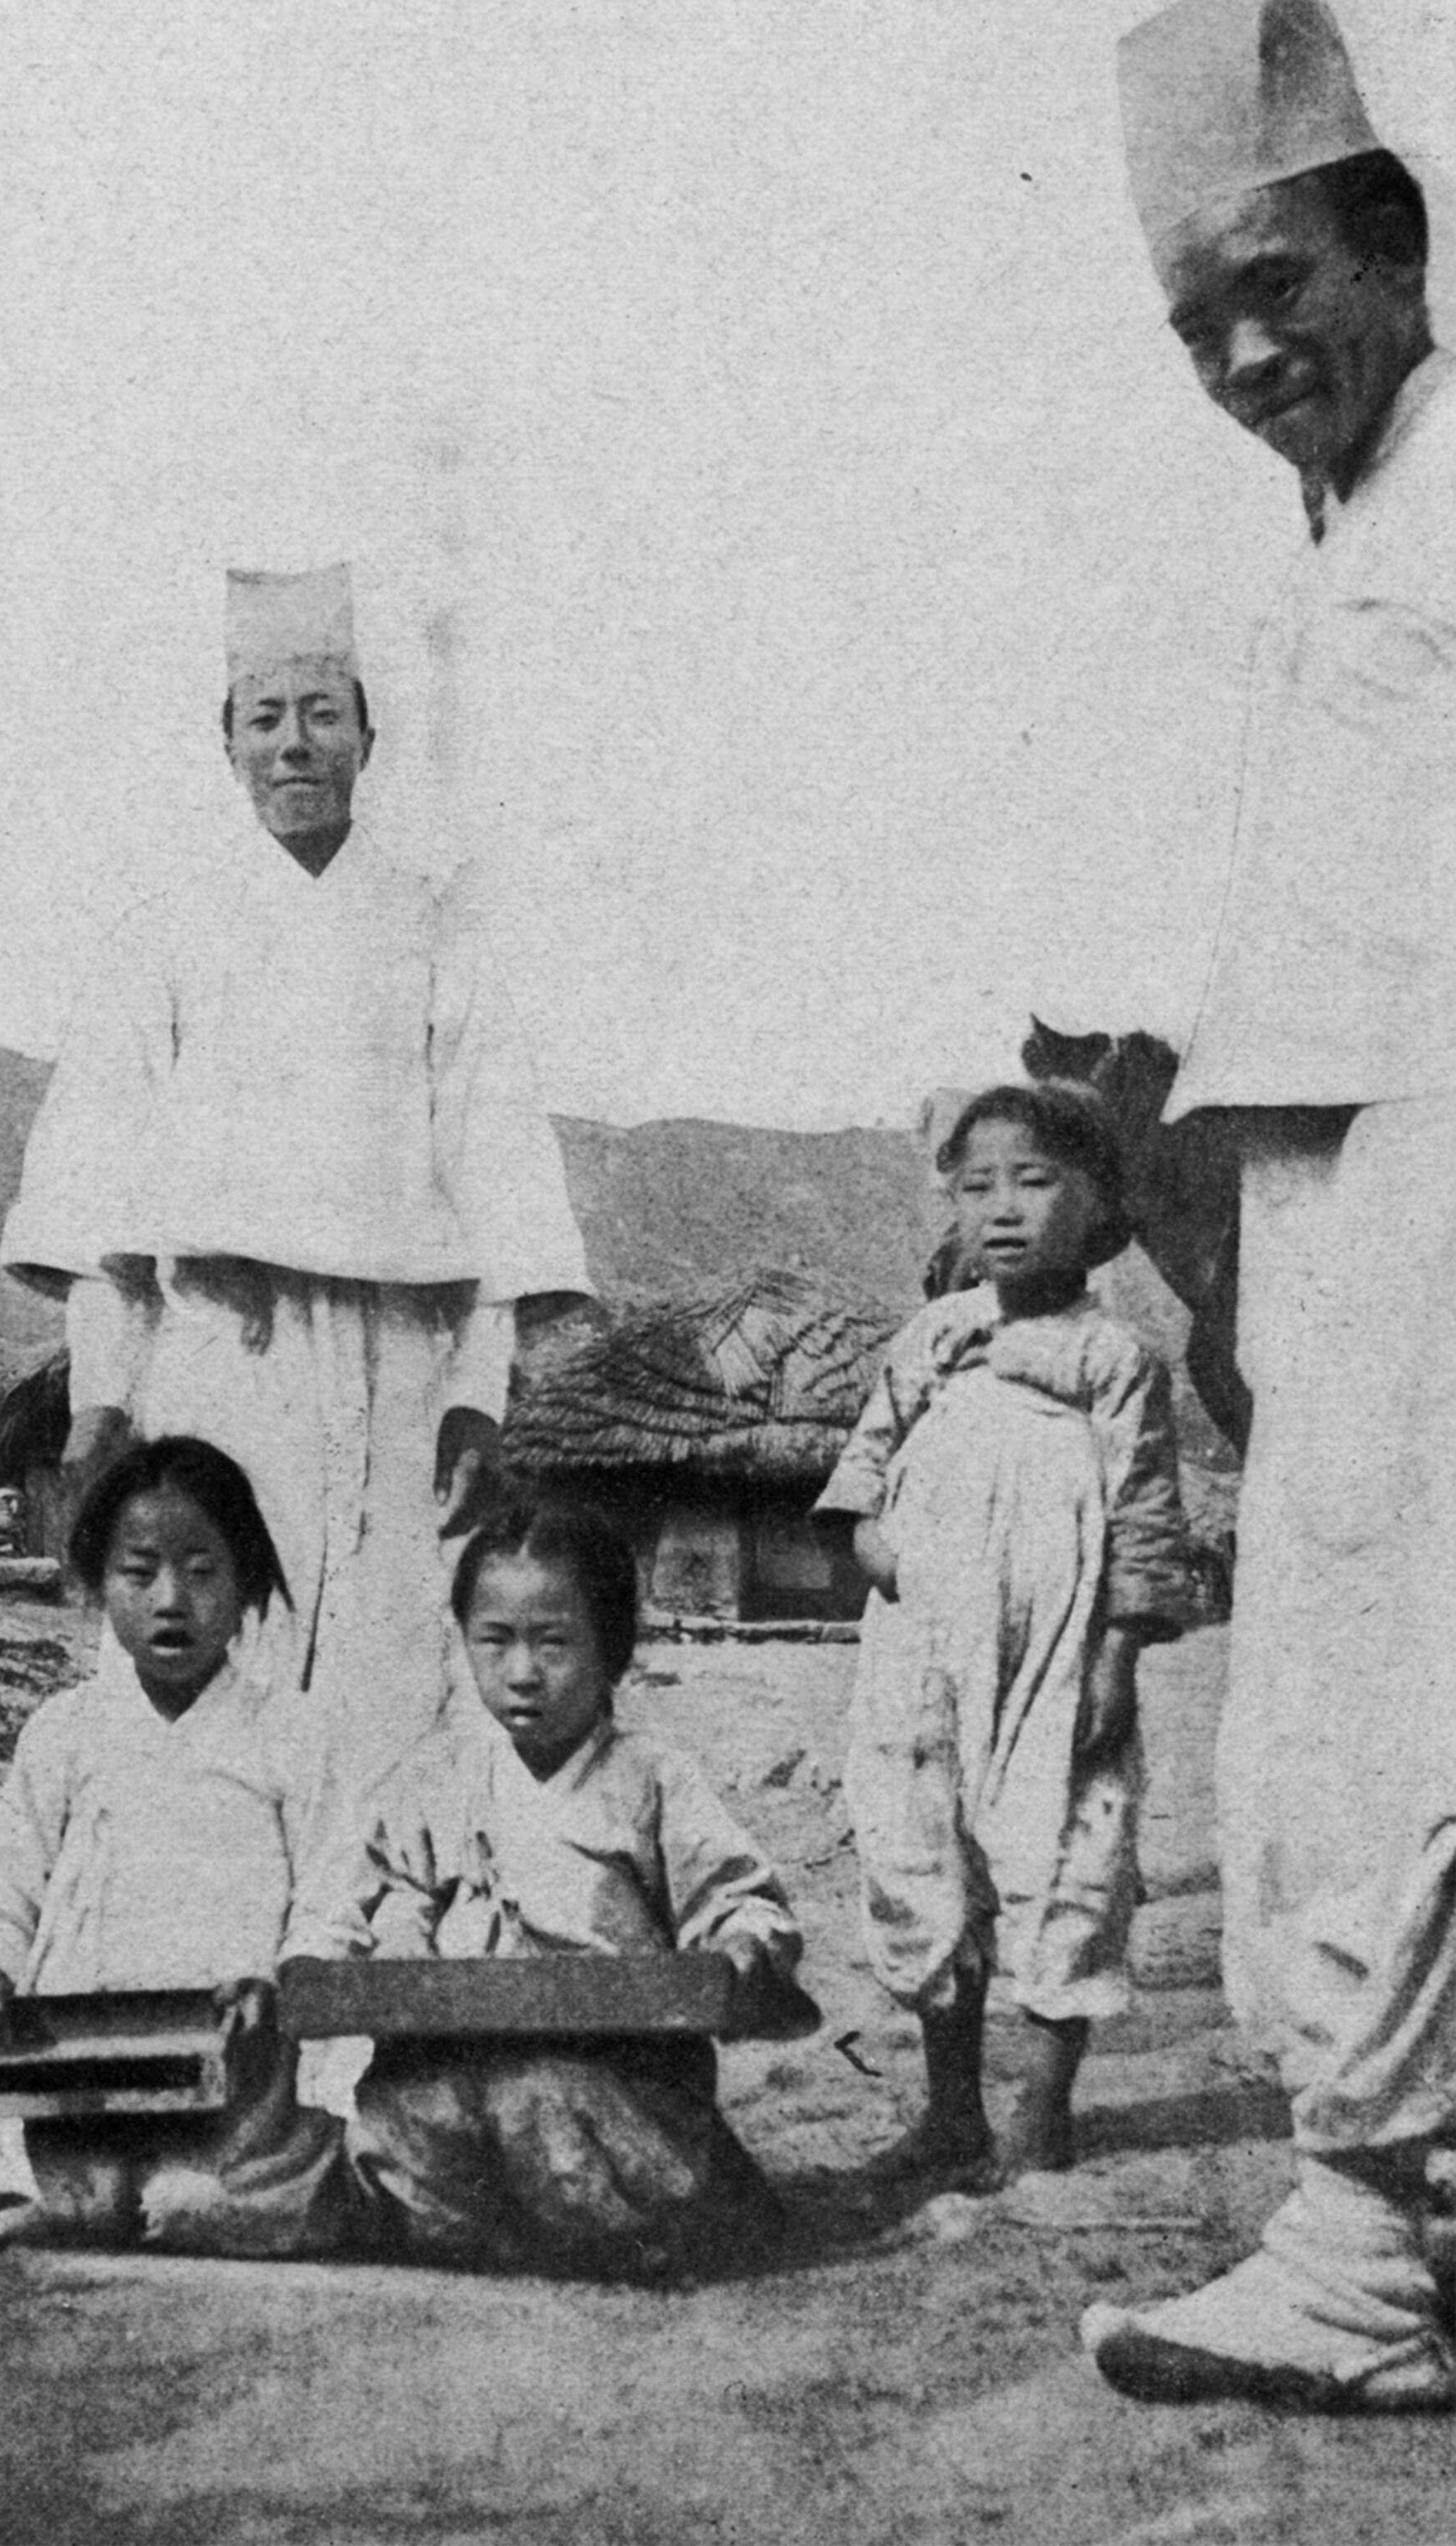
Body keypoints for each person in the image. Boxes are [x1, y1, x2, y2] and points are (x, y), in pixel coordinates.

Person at [1082, 0, 1456, 2409]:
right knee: (1324, 1674)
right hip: (1339, 1151)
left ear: (1391, 241)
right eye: (1188, 320)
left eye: (1271, 285)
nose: (1238, 349)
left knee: (1390, 1668)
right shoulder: (1339, 529)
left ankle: (1369, 2227)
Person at [0, 564, 590, 1838]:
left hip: (396, 1363)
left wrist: (480, 1393)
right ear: (224, 743)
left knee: (392, 1669)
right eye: (263, 716)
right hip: (221, 1353)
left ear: (369, 737)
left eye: (322, 713)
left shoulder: (437, 933)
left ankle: (362, 2006)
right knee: (207, 1645)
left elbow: (491, 1174)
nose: (294, 744)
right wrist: (101, 1396)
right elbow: (101, 1191)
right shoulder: (161, 933)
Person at [815, 1083, 1191, 2187]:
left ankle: (1041, 2106)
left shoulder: (1115, 1358)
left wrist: (1118, 1652)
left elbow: (1144, 1517)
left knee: (1066, 1842)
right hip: (925, 1637)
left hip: (1056, 1647)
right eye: (977, 1187)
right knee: (920, 1845)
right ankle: (947, 2111)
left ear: (1098, 1209)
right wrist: (873, 1541)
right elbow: (863, 1458)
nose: (1004, 1210)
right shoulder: (933, 1336)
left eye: (1035, 1182)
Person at [293, 1499, 810, 2279]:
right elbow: (359, 1901)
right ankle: (486, 2231)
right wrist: (323, 1963)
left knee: (543, 2105)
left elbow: (738, 1898)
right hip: (453, 2053)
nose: (522, 1673)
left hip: (610, 2069)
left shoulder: (652, 1779)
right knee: (400, 2123)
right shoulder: (436, 1778)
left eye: (554, 1642)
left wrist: (737, 1950)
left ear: (611, 1649)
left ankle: (632, 2222)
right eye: (494, 1642)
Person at [0, 1435, 349, 2255]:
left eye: (202, 1572)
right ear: (98, 1585)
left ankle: (211, 2198)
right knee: (25, 2117)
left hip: (231, 2037)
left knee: (237, 2154)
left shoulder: (294, 1734)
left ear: (248, 1588)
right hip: (86, 2039)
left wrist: (281, 1976)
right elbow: (6, 1883)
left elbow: (332, 1890)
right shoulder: (65, 1732)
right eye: (140, 1571)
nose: (171, 1599)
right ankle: (85, 2194)